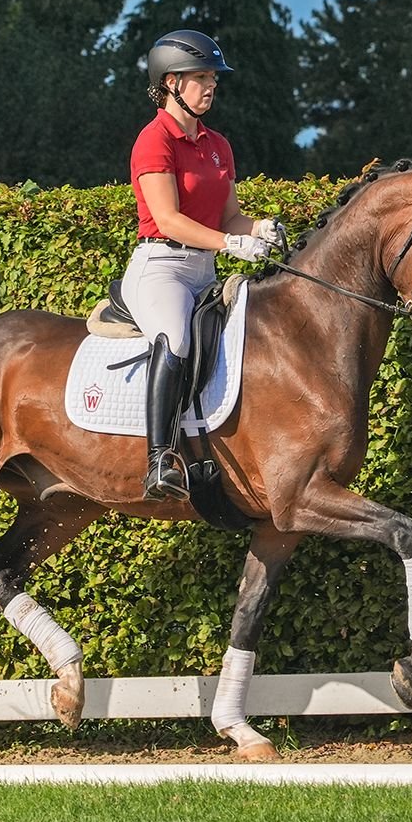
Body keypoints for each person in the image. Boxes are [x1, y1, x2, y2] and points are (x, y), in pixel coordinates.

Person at [122, 29, 281, 502]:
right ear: (171, 83)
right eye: (201, 77)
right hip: (162, 269)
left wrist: (260, 227)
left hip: (205, 271)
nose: (211, 86)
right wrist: (231, 243)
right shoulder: (154, 141)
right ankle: (158, 460)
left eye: (213, 77)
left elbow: (231, 215)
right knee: (175, 338)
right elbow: (168, 219)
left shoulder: (218, 145)